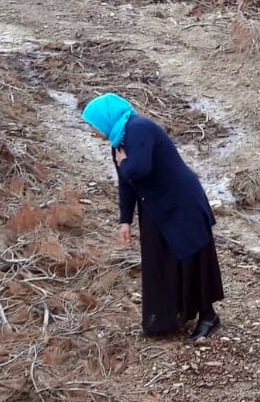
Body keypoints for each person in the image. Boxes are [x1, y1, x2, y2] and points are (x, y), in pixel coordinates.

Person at [82, 93, 224, 340]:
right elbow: (126, 182)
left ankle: (208, 316)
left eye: (93, 124)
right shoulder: (119, 141)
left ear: (105, 118)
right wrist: (125, 220)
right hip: (156, 206)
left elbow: (139, 169)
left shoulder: (138, 128)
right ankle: (169, 317)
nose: (92, 130)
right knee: (161, 260)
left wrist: (125, 164)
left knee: (191, 258)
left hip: (182, 203)